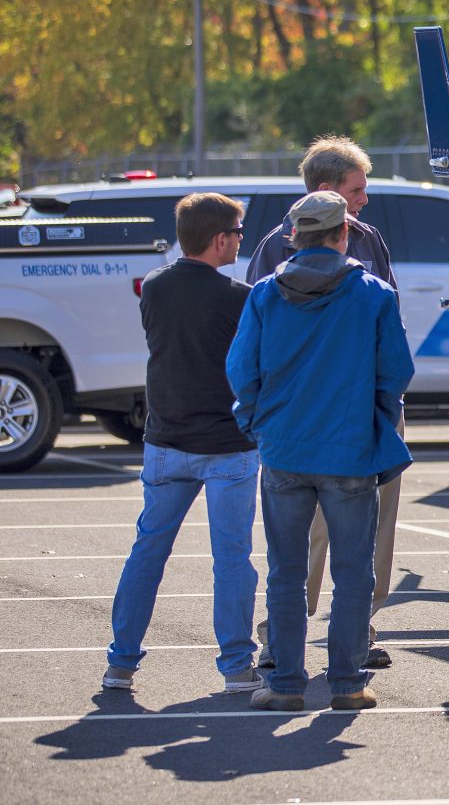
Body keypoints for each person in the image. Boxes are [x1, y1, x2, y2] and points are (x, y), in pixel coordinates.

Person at [227, 191, 414, 711]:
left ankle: (285, 684)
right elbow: (396, 371)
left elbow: (242, 369)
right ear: (344, 233)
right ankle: (348, 683)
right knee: (354, 571)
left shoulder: (265, 292)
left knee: (286, 570)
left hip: (284, 449)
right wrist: (375, 416)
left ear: (294, 236)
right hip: (351, 448)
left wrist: (255, 423)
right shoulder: (373, 294)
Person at [103, 194, 262, 694]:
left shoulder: (154, 287)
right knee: (232, 558)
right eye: (237, 232)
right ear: (220, 239)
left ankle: (120, 664)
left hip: (166, 440)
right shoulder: (240, 297)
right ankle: (237, 667)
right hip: (227, 444)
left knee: (147, 552)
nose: (241, 239)